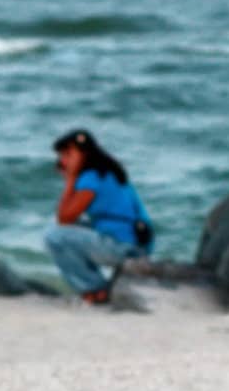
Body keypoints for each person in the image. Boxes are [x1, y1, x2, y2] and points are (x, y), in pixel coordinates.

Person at [45, 129, 154, 304]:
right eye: (61, 155)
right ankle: (96, 287)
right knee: (74, 226)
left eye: (68, 154)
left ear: (85, 154)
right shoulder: (108, 172)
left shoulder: (91, 177)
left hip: (123, 248)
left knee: (54, 236)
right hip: (138, 245)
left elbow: (64, 218)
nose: (63, 161)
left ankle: (95, 289)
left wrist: (70, 180)